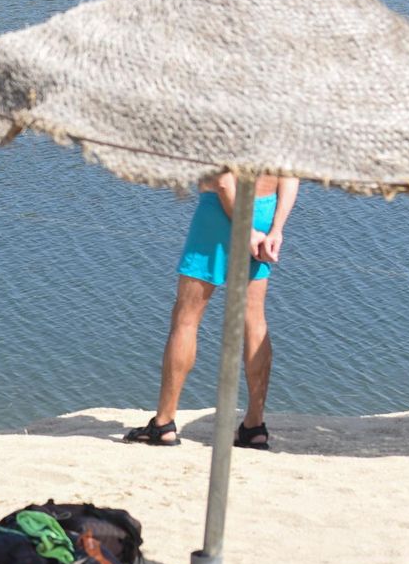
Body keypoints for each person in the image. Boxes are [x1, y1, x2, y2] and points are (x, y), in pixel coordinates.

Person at [125, 171, 299, 450]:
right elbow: (290, 175)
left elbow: (221, 180)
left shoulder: (227, 124)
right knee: (254, 321)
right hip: (265, 211)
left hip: (222, 213)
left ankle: (165, 423)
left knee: (186, 319)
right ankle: (254, 426)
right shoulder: (282, 127)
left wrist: (246, 229)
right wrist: (275, 229)